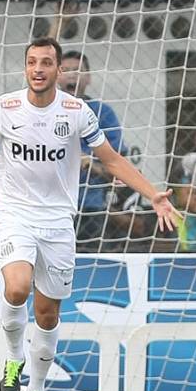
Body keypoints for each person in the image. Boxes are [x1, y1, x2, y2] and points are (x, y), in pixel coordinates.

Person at [0, 37, 181, 391]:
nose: (38, 69)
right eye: (32, 62)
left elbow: (110, 160)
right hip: (14, 214)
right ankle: (14, 360)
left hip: (59, 222)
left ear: (58, 70)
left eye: (46, 62)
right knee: (16, 287)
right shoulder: (4, 108)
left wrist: (153, 195)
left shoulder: (77, 112)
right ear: (25, 67)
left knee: (47, 315)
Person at [57, 50, 127, 252]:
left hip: (90, 204)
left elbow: (116, 168)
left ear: (88, 78)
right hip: (50, 203)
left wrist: (89, 164)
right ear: (57, 75)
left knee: (87, 261)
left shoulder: (102, 112)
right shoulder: (44, 110)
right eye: (66, 70)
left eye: (78, 71)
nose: (71, 75)